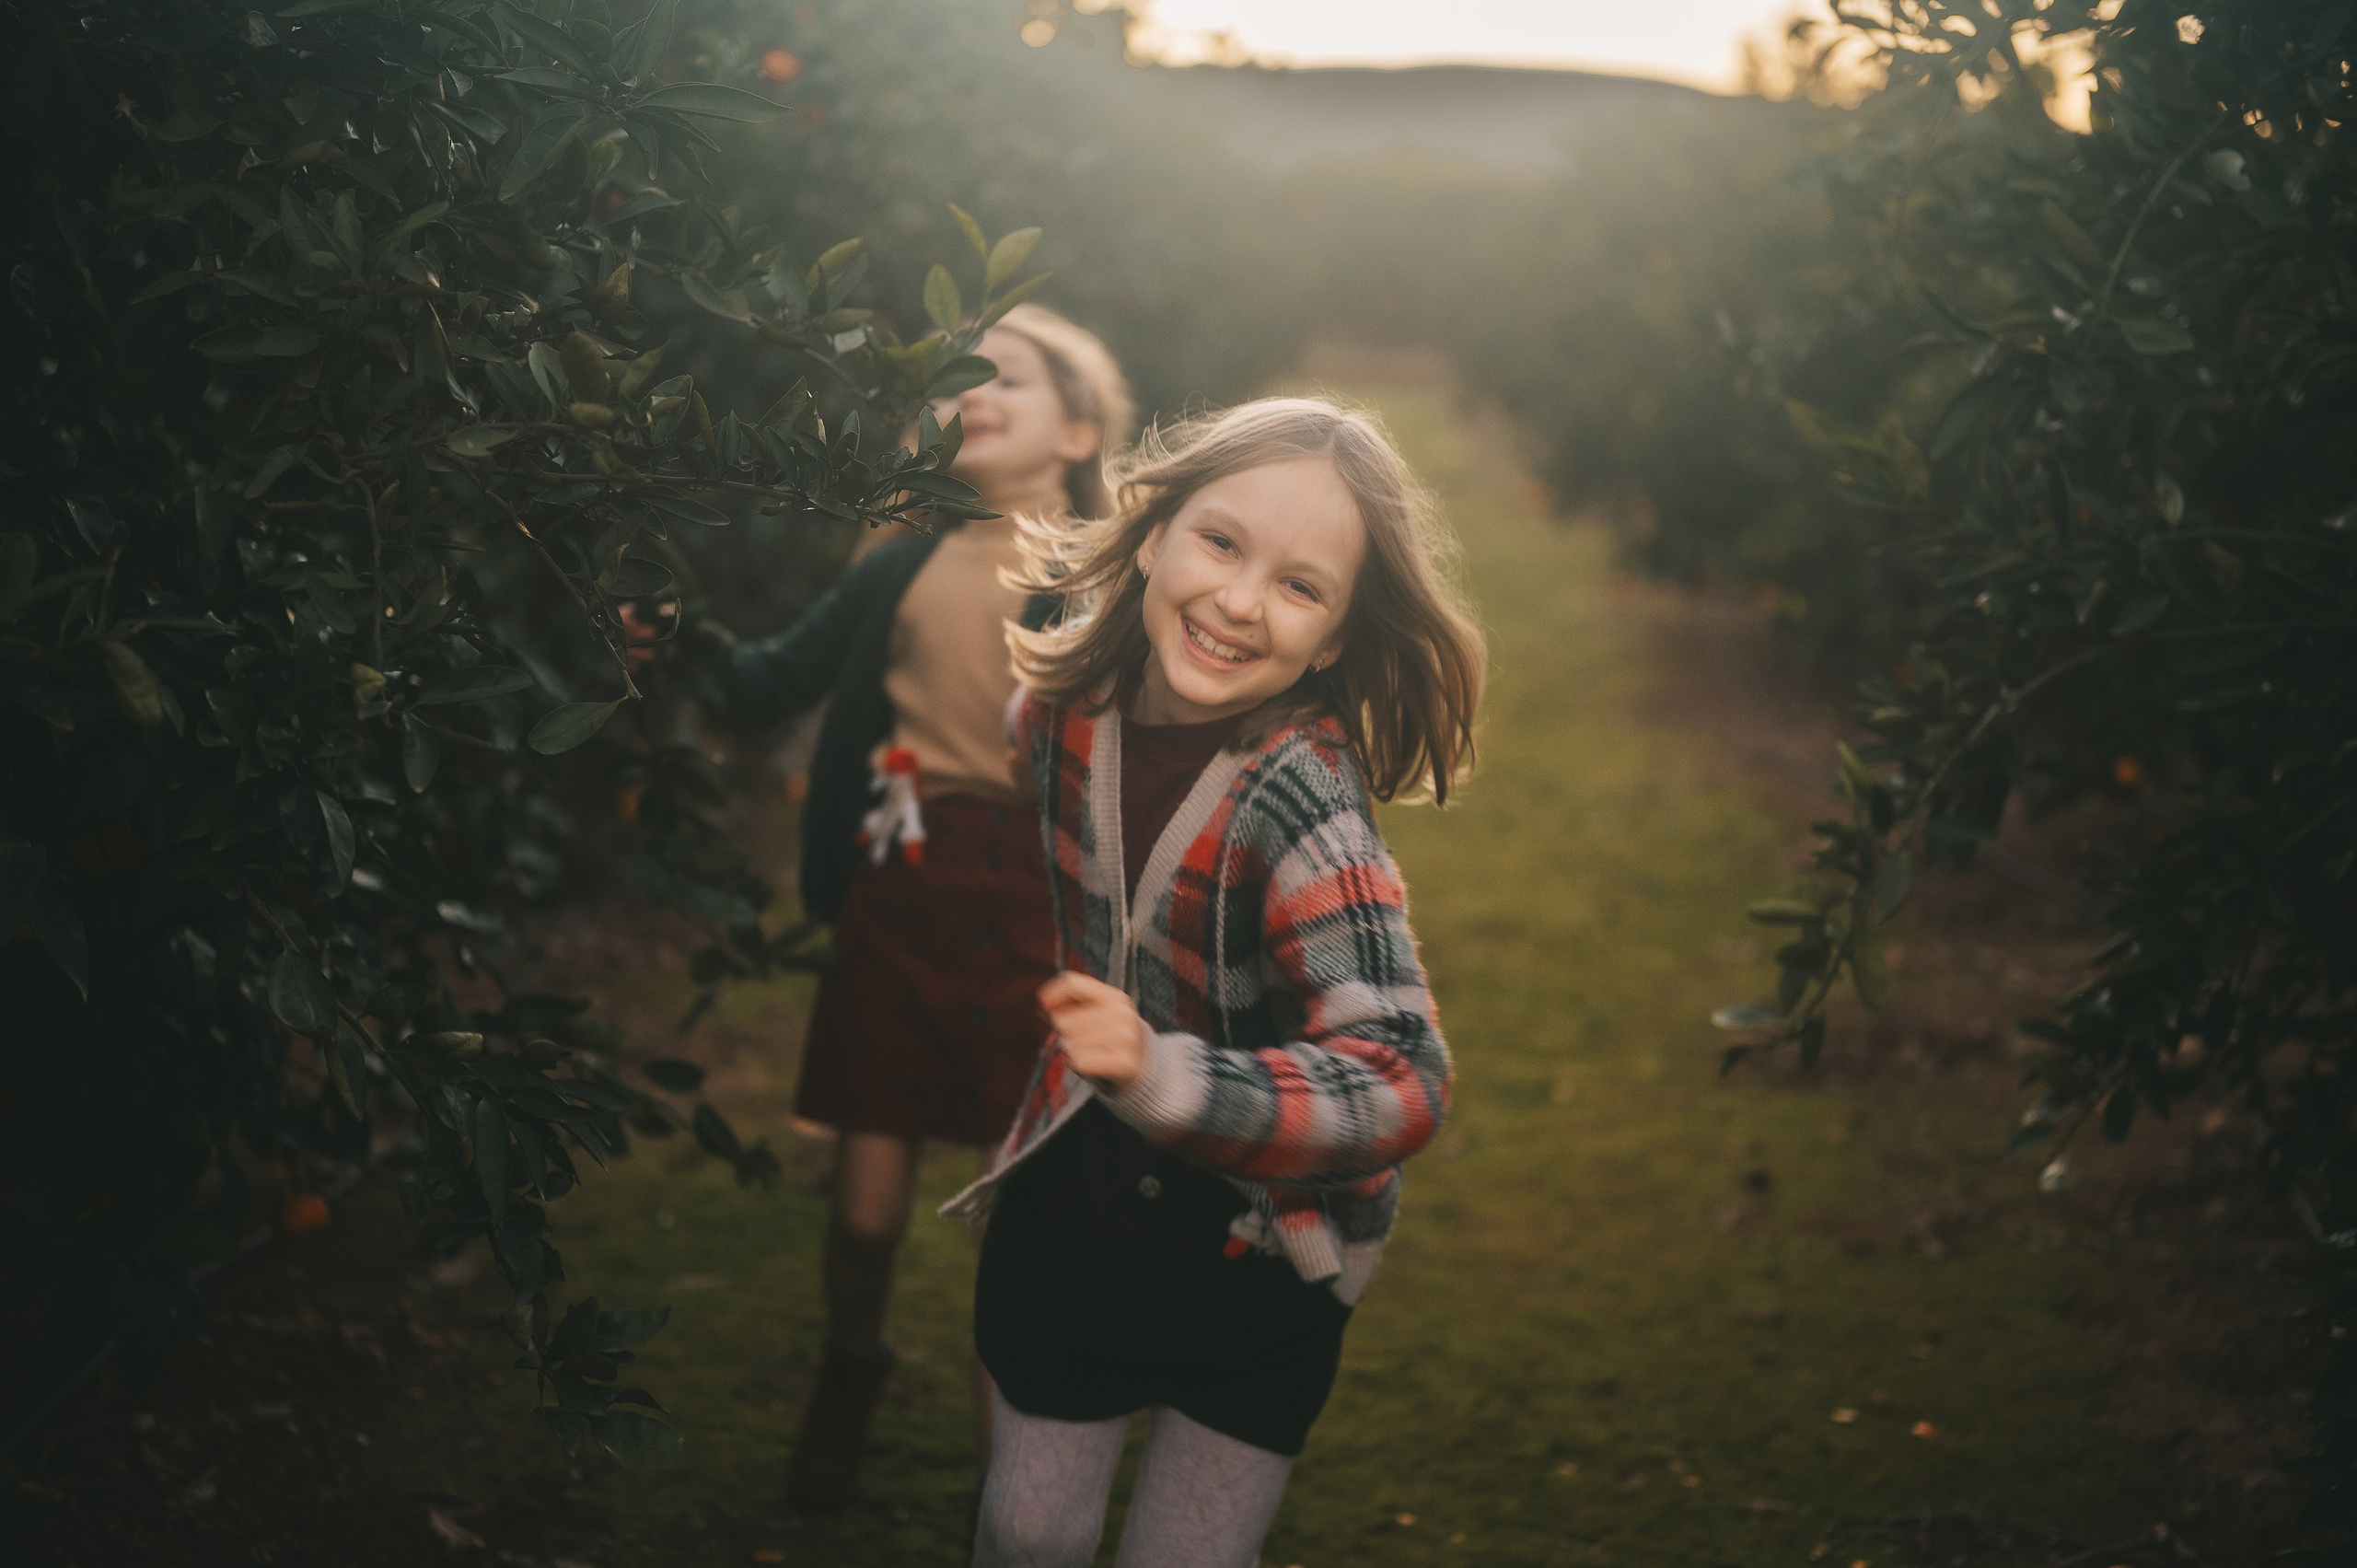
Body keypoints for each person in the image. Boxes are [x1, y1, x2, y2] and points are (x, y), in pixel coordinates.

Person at [944, 397, 1486, 1566]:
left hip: (1266, 1241)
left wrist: (1165, 1073)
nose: (1239, 601)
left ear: (1334, 638)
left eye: (1300, 587)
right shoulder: (1054, 714)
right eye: (1221, 542)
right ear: (1152, 533)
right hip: (1080, 1191)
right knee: (1025, 1525)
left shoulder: (1302, 801)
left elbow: (1402, 1079)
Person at [649, 305, 1134, 1506]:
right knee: (865, 1214)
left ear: (1077, 425)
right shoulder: (896, 566)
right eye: (954, 379)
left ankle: (1009, 1490)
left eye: (1006, 378)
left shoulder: (1113, 574)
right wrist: (669, 643)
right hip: (903, 893)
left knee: (1006, 1222)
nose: (970, 392)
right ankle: (852, 1357)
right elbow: (769, 680)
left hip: (1043, 912)